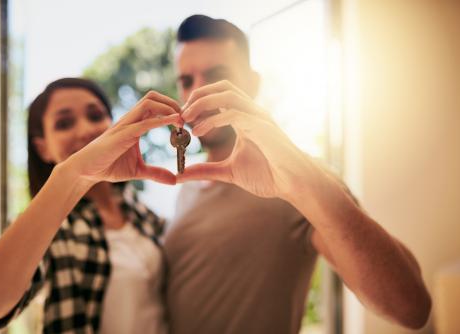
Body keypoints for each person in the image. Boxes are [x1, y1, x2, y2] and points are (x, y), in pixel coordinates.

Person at [163, 15, 432, 334]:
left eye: (216, 75)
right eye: (186, 80)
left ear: (252, 84)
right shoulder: (185, 189)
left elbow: (411, 307)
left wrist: (309, 185)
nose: (197, 92)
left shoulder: (298, 178)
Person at [0, 78, 184, 333]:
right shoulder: (51, 226)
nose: (85, 130)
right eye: (64, 123)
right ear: (42, 148)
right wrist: (72, 175)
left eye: (96, 115)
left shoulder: (145, 216)